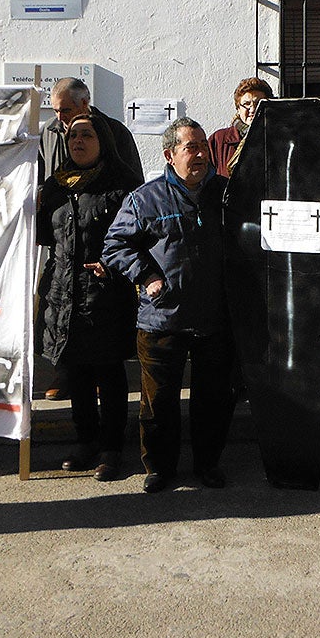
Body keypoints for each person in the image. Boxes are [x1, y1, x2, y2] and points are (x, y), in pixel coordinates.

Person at [102, 118, 236, 494]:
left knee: (213, 399)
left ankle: (208, 464)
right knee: (158, 402)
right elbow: (115, 245)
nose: (200, 154)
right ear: (169, 155)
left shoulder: (227, 194)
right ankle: (160, 468)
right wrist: (146, 275)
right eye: (191, 147)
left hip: (214, 317)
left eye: (203, 146)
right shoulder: (145, 199)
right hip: (162, 318)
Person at [36, 113, 142, 481]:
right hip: (64, 294)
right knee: (76, 371)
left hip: (106, 293)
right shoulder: (56, 186)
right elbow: (44, 237)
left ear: (103, 142)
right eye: (73, 136)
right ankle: (86, 440)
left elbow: (138, 237)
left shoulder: (123, 185)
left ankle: (112, 447)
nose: (78, 141)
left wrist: (112, 266)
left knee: (109, 373)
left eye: (86, 135)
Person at [40, 77, 142, 183]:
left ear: (84, 103)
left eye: (66, 110)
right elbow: (38, 176)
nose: (60, 117)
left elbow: (134, 180)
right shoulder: (48, 130)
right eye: (56, 111)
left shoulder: (115, 131)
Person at [208, 77, 274, 178]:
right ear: (238, 109)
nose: (253, 109)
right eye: (247, 104)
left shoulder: (277, 138)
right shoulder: (219, 140)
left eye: (258, 104)